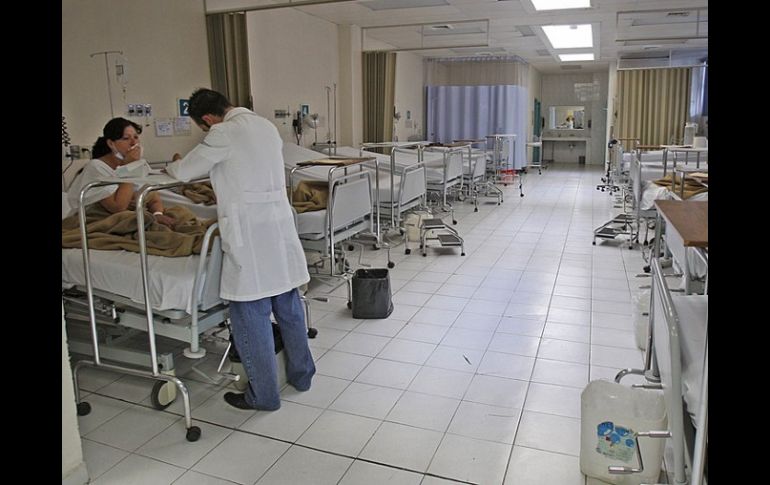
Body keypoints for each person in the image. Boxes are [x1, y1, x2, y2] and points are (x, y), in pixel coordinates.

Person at [165, 88, 315, 411]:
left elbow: (183, 172)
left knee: (250, 316)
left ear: (208, 119)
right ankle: (302, 376)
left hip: (251, 238)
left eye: (202, 127)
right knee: (289, 307)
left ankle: (264, 396)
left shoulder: (223, 133)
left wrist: (174, 163)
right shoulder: (265, 126)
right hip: (278, 230)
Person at [67, 117, 175, 227]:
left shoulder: (138, 165)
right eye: (126, 138)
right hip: (101, 219)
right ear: (111, 144)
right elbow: (118, 207)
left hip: (134, 216)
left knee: (179, 215)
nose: (134, 143)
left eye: (136, 137)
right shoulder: (96, 167)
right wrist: (127, 168)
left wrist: (157, 214)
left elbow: (152, 196)